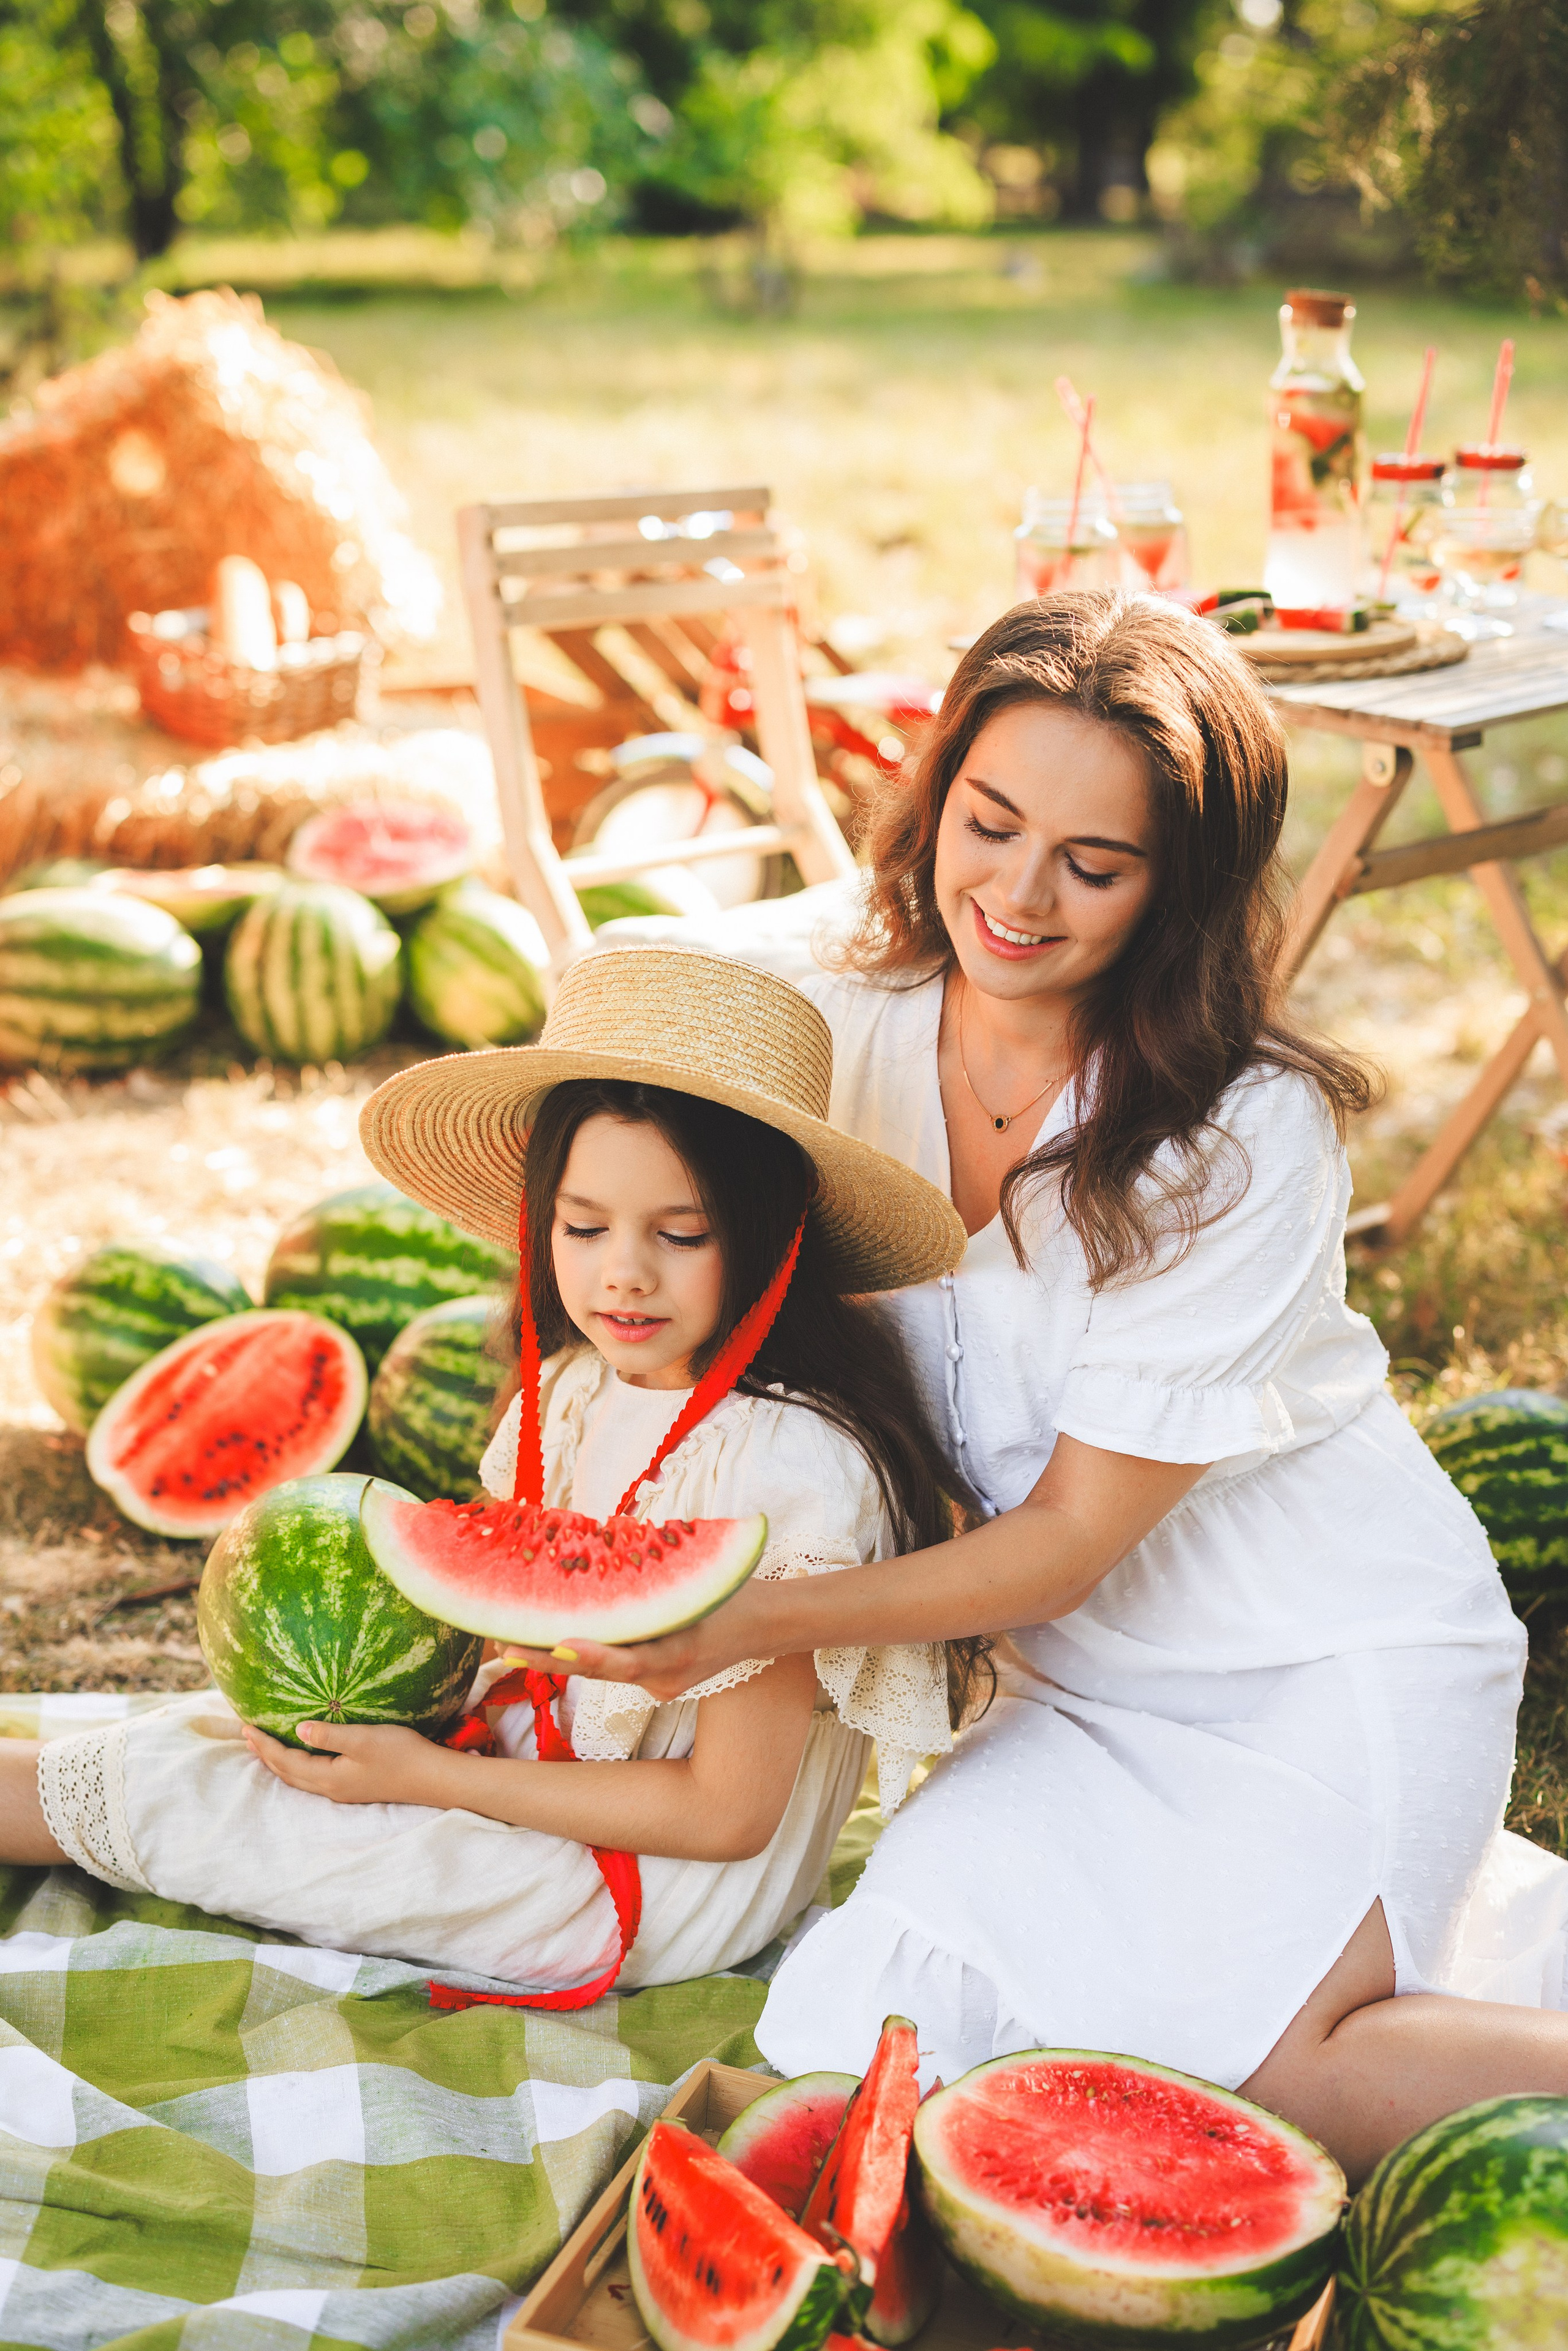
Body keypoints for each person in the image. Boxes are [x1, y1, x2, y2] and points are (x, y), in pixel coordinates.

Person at [499, 591, 1568, 2181]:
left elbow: (1071, 1537)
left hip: (1322, 1654)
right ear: (937, 799)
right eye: (988, 824)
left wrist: (751, 1617)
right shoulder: (838, 1015)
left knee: (1272, 2074)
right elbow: (641, 977)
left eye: (1097, 862)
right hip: (1070, 1696)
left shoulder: (1245, 1128)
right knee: (866, 2025)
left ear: (1181, 891)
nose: (1016, 894)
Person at [0, 954, 972, 1998]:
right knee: (214, 1741)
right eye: (584, 1226)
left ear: (773, 1238)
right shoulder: (573, 1390)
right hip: (529, 1775)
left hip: (646, 1887)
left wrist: (434, 1779)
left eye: (681, 1233)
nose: (624, 1272)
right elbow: (523, 1624)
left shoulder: (790, 1466)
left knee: (205, 1801)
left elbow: (725, 1815)